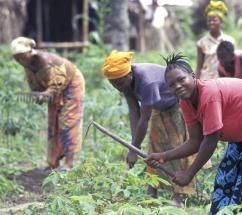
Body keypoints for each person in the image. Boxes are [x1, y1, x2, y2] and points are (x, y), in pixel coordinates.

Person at [145, 53, 242, 214]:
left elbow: (211, 139)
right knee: (228, 179)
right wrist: (164, 156)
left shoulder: (209, 94)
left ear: (193, 76)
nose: (177, 86)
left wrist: (189, 173)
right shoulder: (185, 102)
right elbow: (196, 141)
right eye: (171, 85)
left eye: (181, 80)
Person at [101, 50, 195, 207]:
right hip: (159, 108)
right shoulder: (124, 82)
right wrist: (133, 145)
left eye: (119, 82)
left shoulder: (146, 81)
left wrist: (133, 150)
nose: (117, 87)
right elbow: (134, 111)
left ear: (129, 74)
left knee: (175, 150)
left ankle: (177, 197)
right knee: (153, 150)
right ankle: (152, 191)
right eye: (113, 83)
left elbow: (144, 118)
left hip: (177, 106)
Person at [11, 37, 85, 171]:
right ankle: (53, 163)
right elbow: (35, 85)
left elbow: (56, 82)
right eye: (17, 58)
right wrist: (37, 95)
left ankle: (69, 163)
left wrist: (45, 94)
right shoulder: (28, 65)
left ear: (29, 53)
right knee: (53, 122)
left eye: (22, 56)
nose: (20, 61)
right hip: (52, 90)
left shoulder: (43, 60)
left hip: (71, 83)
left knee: (68, 120)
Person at [196, 0, 235, 80]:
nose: (211, 23)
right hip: (206, 80)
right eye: (209, 20)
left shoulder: (229, 40)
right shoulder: (201, 43)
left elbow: (233, 62)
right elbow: (199, 66)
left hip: (224, 80)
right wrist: (197, 83)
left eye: (214, 20)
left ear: (221, 21)